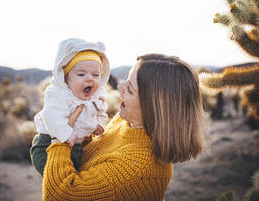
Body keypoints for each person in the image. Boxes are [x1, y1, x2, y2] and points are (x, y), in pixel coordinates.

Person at [41, 53, 206, 200]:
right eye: (126, 80)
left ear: (154, 107)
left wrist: (60, 139)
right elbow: (94, 157)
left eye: (130, 89)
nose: (120, 87)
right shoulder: (127, 122)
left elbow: (60, 195)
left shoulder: (136, 170)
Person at [30, 38, 110, 175]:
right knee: (56, 176)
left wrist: (100, 123)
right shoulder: (59, 94)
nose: (89, 78)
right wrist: (65, 134)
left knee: (73, 176)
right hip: (47, 144)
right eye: (81, 74)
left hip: (78, 146)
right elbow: (51, 116)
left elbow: (101, 112)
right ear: (66, 77)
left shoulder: (96, 97)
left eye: (95, 75)